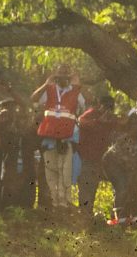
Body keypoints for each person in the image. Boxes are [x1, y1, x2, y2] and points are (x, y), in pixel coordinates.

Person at [34, 68, 84, 209]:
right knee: (51, 172)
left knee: (65, 172)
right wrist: (46, 84)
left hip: (67, 139)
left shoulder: (75, 91)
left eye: (65, 75)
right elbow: (34, 98)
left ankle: (64, 203)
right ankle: (54, 203)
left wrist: (78, 84)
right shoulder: (50, 90)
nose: (63, 78)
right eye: (60, 75)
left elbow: (90, 100)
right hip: (49, 139)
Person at [74, 98, 120, 219]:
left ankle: (88, 215)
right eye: (106, 106)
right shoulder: (92, 113)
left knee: (93, 187)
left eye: (111, 107)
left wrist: (114, 119)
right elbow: (80, 121)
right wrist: (99, 121)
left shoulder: (110, 120)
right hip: (86, 157)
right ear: (100, 105)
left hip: (98, 160)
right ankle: (84, 215)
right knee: (85, 187)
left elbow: (121, 124)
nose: (108, 109)